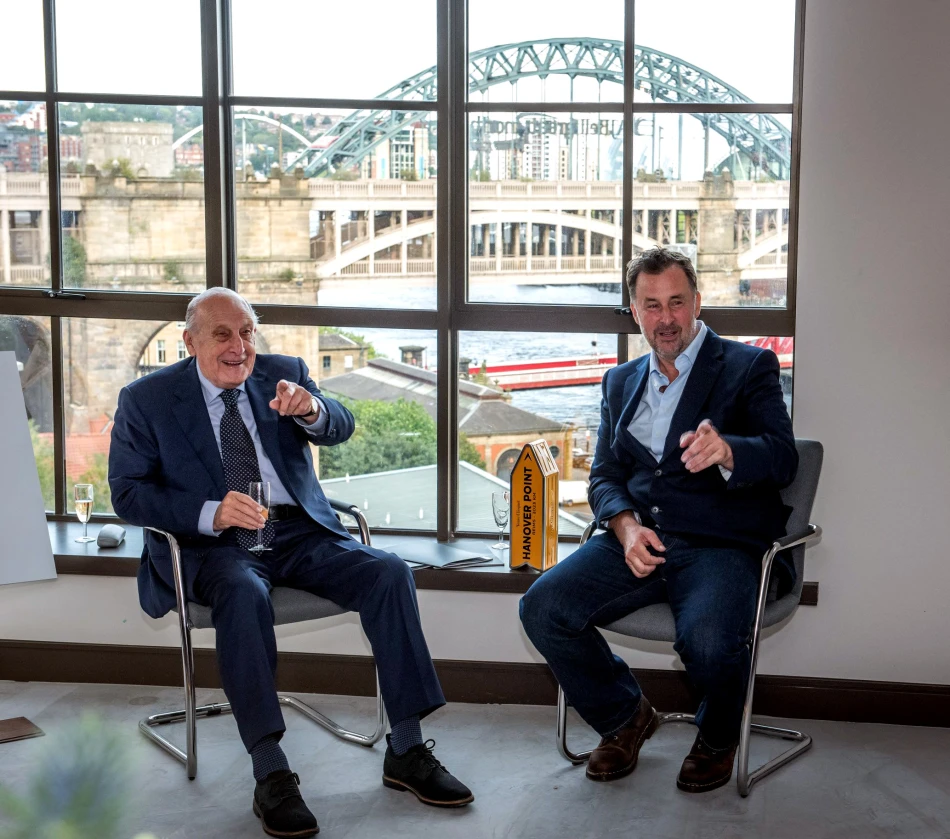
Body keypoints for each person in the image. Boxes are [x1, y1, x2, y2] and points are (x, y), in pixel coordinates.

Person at [109, 288, 472, 838]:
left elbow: (342, 426)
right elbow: (128, 494)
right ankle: (271, 772)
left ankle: (406, 748)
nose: (240, 347)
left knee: (389, 571)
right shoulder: (148, 399)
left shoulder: (283, 373)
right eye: (223, 335)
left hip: (297, 532)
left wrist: (314, 409)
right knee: (243, 594)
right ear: (190, 342)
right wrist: (211, 510)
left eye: (248, 332)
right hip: (214, 545)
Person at [519, 247, 797, 793]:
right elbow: (603, 476)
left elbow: (784, 457)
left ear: (697, 302)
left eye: (676, 302)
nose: (665, 318)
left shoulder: (747, 366)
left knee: (711, 641)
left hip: (720, 542)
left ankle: (718, 737)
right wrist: (624, 527)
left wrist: (730, 452)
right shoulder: (619, 382)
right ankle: (626, 717)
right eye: (651, 305)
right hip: (638, 539)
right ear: (634, 310)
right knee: (543, 607)